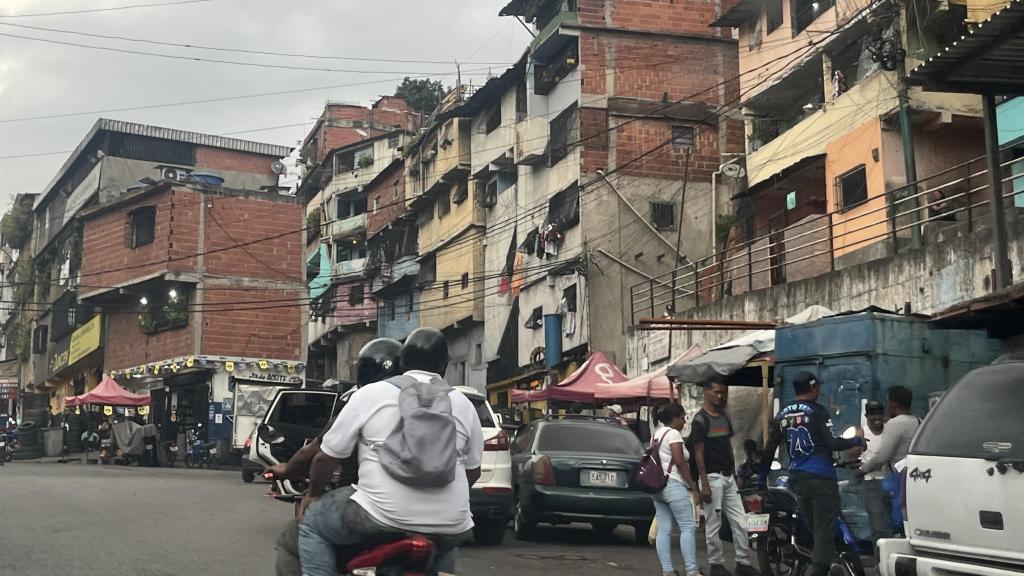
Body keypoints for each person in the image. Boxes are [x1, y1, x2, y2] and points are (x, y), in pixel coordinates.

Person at [297, 328, 484, 576]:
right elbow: (473, 472)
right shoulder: (464, 404)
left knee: (313, 525)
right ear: (445, 365)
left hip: (377, 515)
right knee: (445, 541)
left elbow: (325, 457)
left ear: (402, 362)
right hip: (451, 522)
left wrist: (313, 495)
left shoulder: (370, 394)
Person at [271, 338, 403, 576]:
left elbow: (318, 456)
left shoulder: (364, 399)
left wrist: (299, 481)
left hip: (367, 504)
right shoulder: (431, 402)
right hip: (430, 514)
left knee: (294, 536)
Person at [761, 372, 864, 576]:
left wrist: (759, 479)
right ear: (813, 388)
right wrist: (857, 441)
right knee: (824, 534)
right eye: (818, 387)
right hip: (822, 480)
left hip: (797, 480)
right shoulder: (818, 411)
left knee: (814, 531)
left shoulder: (782, 415)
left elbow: (769, 449)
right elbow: (833, 443)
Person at [690, 378, 757, 576]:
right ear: (706, 392)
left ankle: (743, 563)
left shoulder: (724, 417)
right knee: (714, 522)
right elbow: (698, 453)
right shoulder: (700, 420)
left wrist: (734, 472)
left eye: (723, 392)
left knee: (740, 520)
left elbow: (728, 446)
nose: (721, 396)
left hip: (728, 477)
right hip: (712, 477)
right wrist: (704, 483)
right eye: (717, 392)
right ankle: (716, 564)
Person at [856, 386, 920, 534]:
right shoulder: (918, 420)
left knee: (884, 524)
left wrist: (862, 469)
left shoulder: (895, 424)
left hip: (896, 480)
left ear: (893, 403)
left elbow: (882, 456)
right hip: (914, 477)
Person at [651, 403, 701, 576]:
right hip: (673, 484)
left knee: (664, 529)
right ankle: (692, 571)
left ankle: (667, 571)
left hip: (658, 487)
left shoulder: (657, 434)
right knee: (687, 527)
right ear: (674, 418)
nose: (684, 421)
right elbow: (680, 461)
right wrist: (692, 485)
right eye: (682, 417)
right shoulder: (673, 434)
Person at [855, 401, 891, 543]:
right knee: (877, 526)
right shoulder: (862, 433)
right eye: (872, 413)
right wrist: (865, 467)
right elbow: (853, 461)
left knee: (894, 523)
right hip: (871, 483)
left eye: (879, 413)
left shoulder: (890, 430)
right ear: (866, 415)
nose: (877, 417)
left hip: (890, 481)